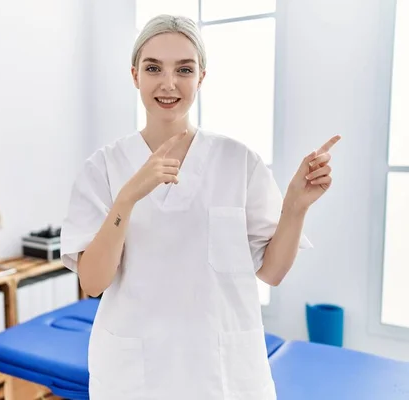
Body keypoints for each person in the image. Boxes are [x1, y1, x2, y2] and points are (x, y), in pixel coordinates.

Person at [60, 14, 340, 400]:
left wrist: (295, 205)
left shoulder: (238, 161)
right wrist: (128, 197)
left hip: (223, 374)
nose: (168, 83)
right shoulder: (103, 168)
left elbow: (272, 272)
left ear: (201, 78)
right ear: (134, 75)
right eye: (153, 67)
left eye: (184, 69)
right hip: (136, 375)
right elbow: (92, 283)